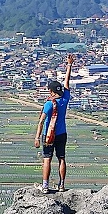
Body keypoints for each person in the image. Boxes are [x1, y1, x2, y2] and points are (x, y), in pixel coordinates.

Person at [34, 54, 74, 193]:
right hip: (62, 134)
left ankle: (45, 186)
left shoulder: (48, 104)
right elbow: (67, 83)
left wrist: (37, 137)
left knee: (47, 159)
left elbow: (41, 122)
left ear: (50, 91)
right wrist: (69, 65)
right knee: (61, 158)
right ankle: (61, 185)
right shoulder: (65, 99)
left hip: (48, 135)